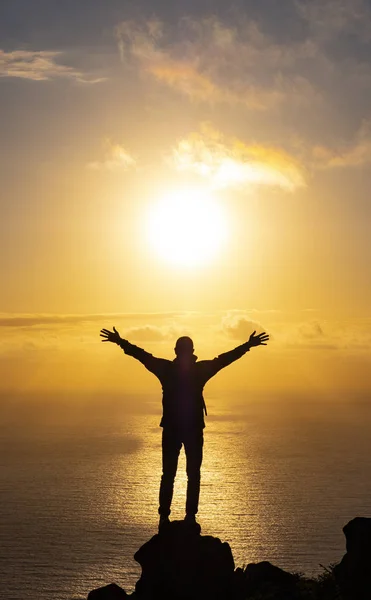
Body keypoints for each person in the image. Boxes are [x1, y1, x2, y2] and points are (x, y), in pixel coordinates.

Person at [100, 327, 269, 529]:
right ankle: (189, 516)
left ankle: (165, 517)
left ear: (175, 350)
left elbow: (142, 355)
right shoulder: (199, 371)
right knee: (192, 474)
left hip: (172, 428)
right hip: (192, 429)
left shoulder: (166, 370)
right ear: (193, 351)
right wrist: (248, 345)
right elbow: (224, 360)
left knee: (169, 474)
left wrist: (120, 341)